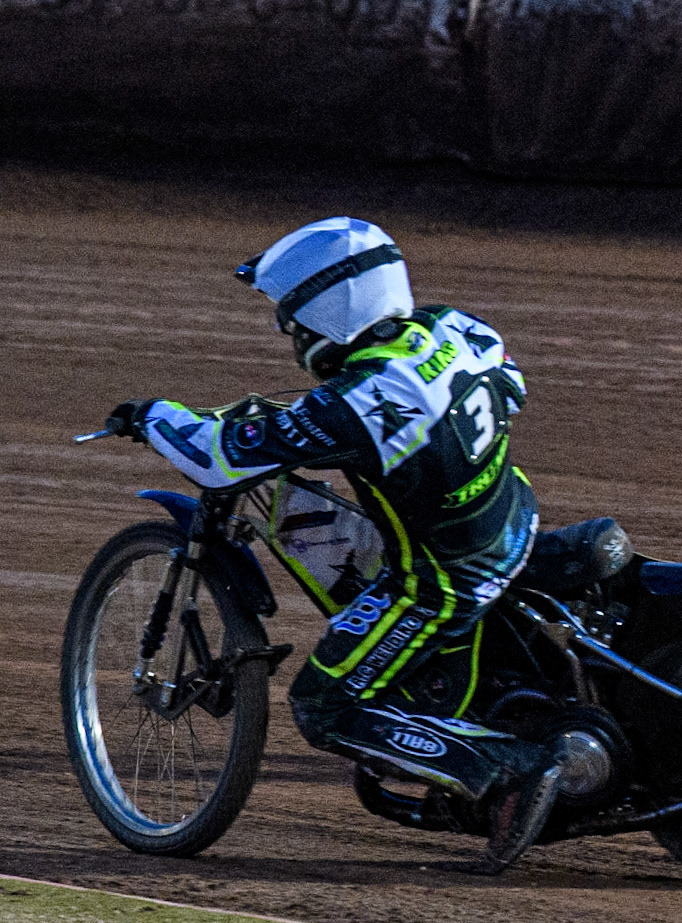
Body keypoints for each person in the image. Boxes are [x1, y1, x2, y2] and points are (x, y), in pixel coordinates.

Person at [104, 217, 556, 874]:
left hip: (443, 577)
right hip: (513, 515)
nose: (292, 336)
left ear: (329, 312)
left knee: (322, 704)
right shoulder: (451, 326)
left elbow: (218, 461)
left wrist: (152, 416)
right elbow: (511, 385)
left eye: (294, 320)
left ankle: (504, 767)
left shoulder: (356, 403)